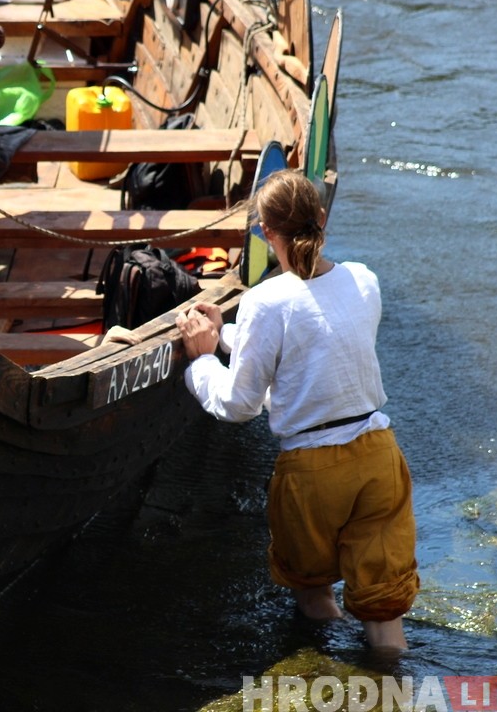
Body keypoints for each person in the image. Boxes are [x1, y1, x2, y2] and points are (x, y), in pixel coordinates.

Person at [175, 169, 418, 651]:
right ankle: (395, 687)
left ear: (265, 233)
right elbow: (316, 347)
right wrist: (230, 334)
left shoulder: (265, 301)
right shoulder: (363, 279)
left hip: (312, 471)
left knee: (312, 593)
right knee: (384, 606)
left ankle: (323, 675)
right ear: (321, 217)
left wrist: (202, 359)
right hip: (378, 457)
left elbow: (238, 404)